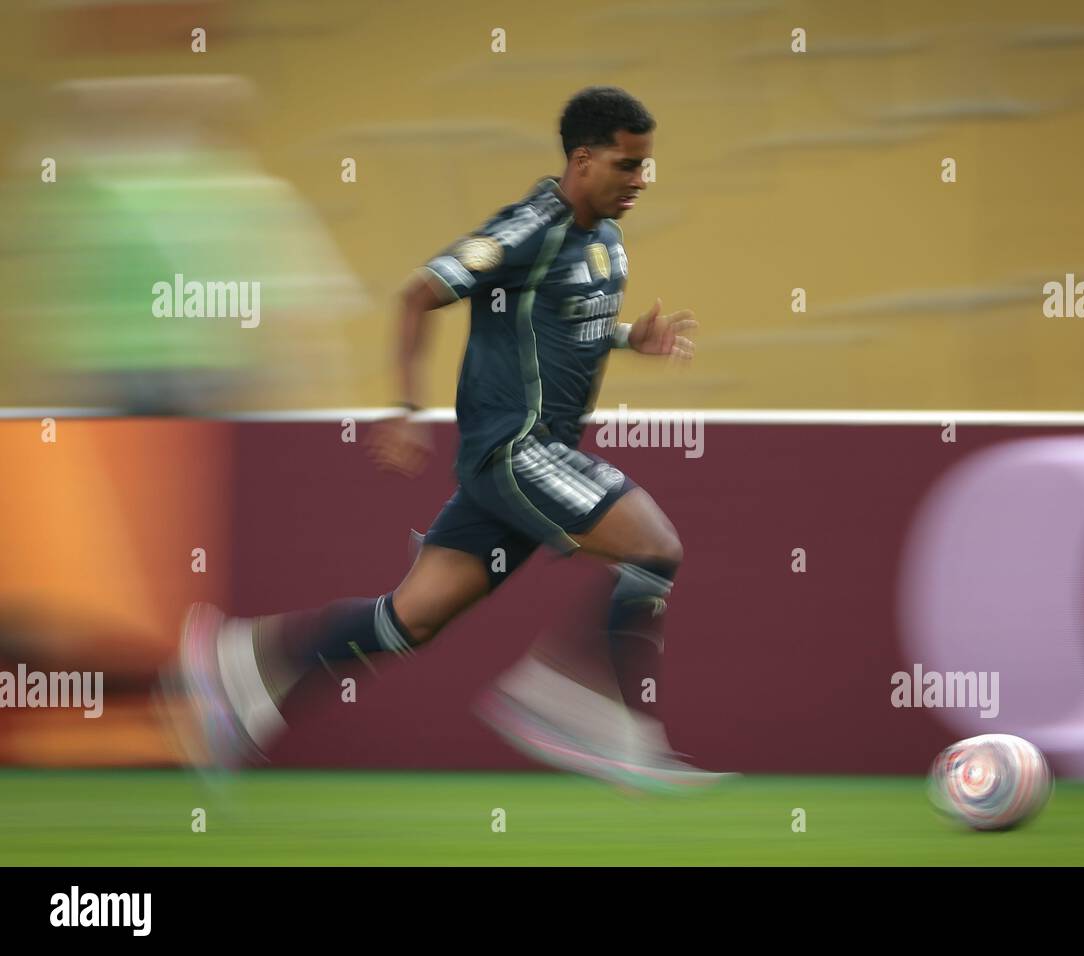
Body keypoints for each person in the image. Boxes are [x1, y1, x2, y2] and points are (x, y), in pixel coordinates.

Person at [176, 86, 732, 793]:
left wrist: (629, 337)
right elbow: (419, 292)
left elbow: (557, 327)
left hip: (521, 467)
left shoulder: (607, 242)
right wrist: (406, 407)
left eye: (647, 166)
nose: (641, 181)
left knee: (406, 620)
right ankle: (593, 708)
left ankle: (242, 663)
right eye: (627, 165)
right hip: (516, 452)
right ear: (583, 160)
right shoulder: (528, 227)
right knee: (655, 548)